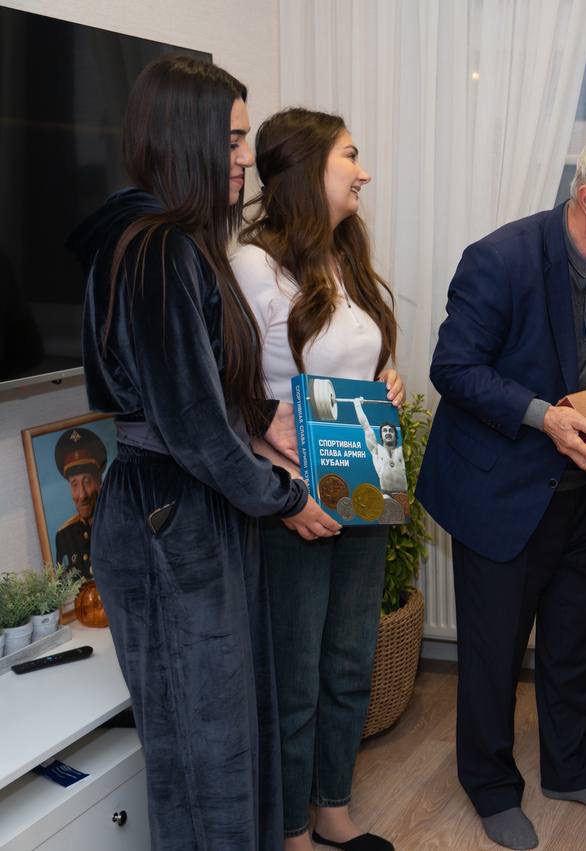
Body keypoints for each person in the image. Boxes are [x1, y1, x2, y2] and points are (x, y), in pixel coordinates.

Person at [71, 56, 340, 849]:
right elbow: (189, 423)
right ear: (183, 138)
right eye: (229, 140)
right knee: (205, 751)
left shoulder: (166, 240)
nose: (245, 158)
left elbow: (195, 387)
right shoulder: (158, 248)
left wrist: (258, 423)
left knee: (221, 737)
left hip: (180, 506)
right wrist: (286, 498)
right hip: (171, 516)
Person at [417, 128, 586, 850]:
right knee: (494, 652)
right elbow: (453, 368)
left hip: (581, 486)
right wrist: (544, 417)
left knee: (573, 640)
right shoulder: (500, 258)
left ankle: (570, 771)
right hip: (499, 487)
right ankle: (490, 786)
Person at [233, 106, 401, 851]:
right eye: (350, 157)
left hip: (365, 477)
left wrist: (386, 378)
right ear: (307, 168)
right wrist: (282, 489)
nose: (364, 172)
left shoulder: (344, 255)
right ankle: (292, 827)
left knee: (350, 658)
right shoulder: (252, 265)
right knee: (295, 674)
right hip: (293, 494)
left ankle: (333, 807)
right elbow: (231, 391)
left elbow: (356, 360)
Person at [52, 426, 107, 579]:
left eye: (87, 481)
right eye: (74, 484)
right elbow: (62, 588)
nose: (82, 495)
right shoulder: (64, 536)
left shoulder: (119, 522)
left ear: (99, 482)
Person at [353, 396, 407, 494]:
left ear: (395, 435)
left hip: (403, 494)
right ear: (381, 435)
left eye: (391, 431)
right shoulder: (377, 450)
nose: (388, 432)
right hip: (386, 495)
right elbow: (365, 426)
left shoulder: (401, 450)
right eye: (385, 431)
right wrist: (357, 405)